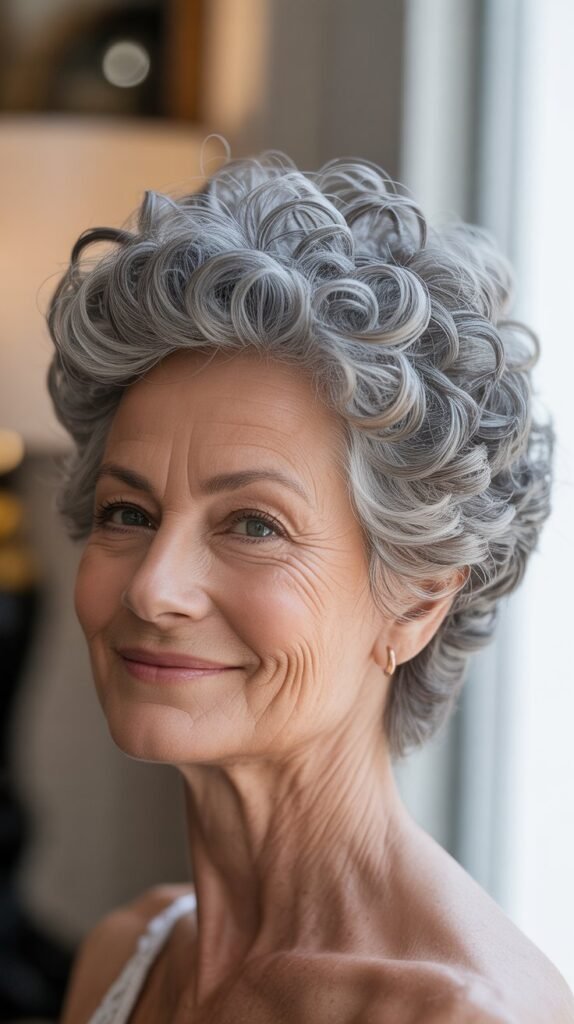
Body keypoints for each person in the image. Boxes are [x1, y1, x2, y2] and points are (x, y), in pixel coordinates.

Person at [45, 151, 574, 1023]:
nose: (154, 590)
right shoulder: (125, 956)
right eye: (128, 514)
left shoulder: (458, 1015)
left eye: (254, 525)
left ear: (416, 599)